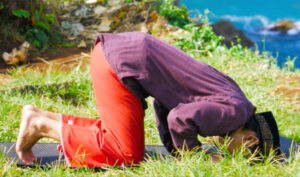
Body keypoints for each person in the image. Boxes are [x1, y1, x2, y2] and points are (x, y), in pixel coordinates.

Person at [15, 32, 280, 167]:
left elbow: (167, 104)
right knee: (127, 153)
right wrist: (196, 155)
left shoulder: (236, 100)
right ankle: (41, 126)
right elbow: (180, 118)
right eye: (244, 156)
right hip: (118, 63)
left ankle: (43, 117)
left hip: (120, 53)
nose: (231, 157)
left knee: (124, 140)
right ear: (250, 139)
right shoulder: (231, 114)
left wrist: (176, 151)